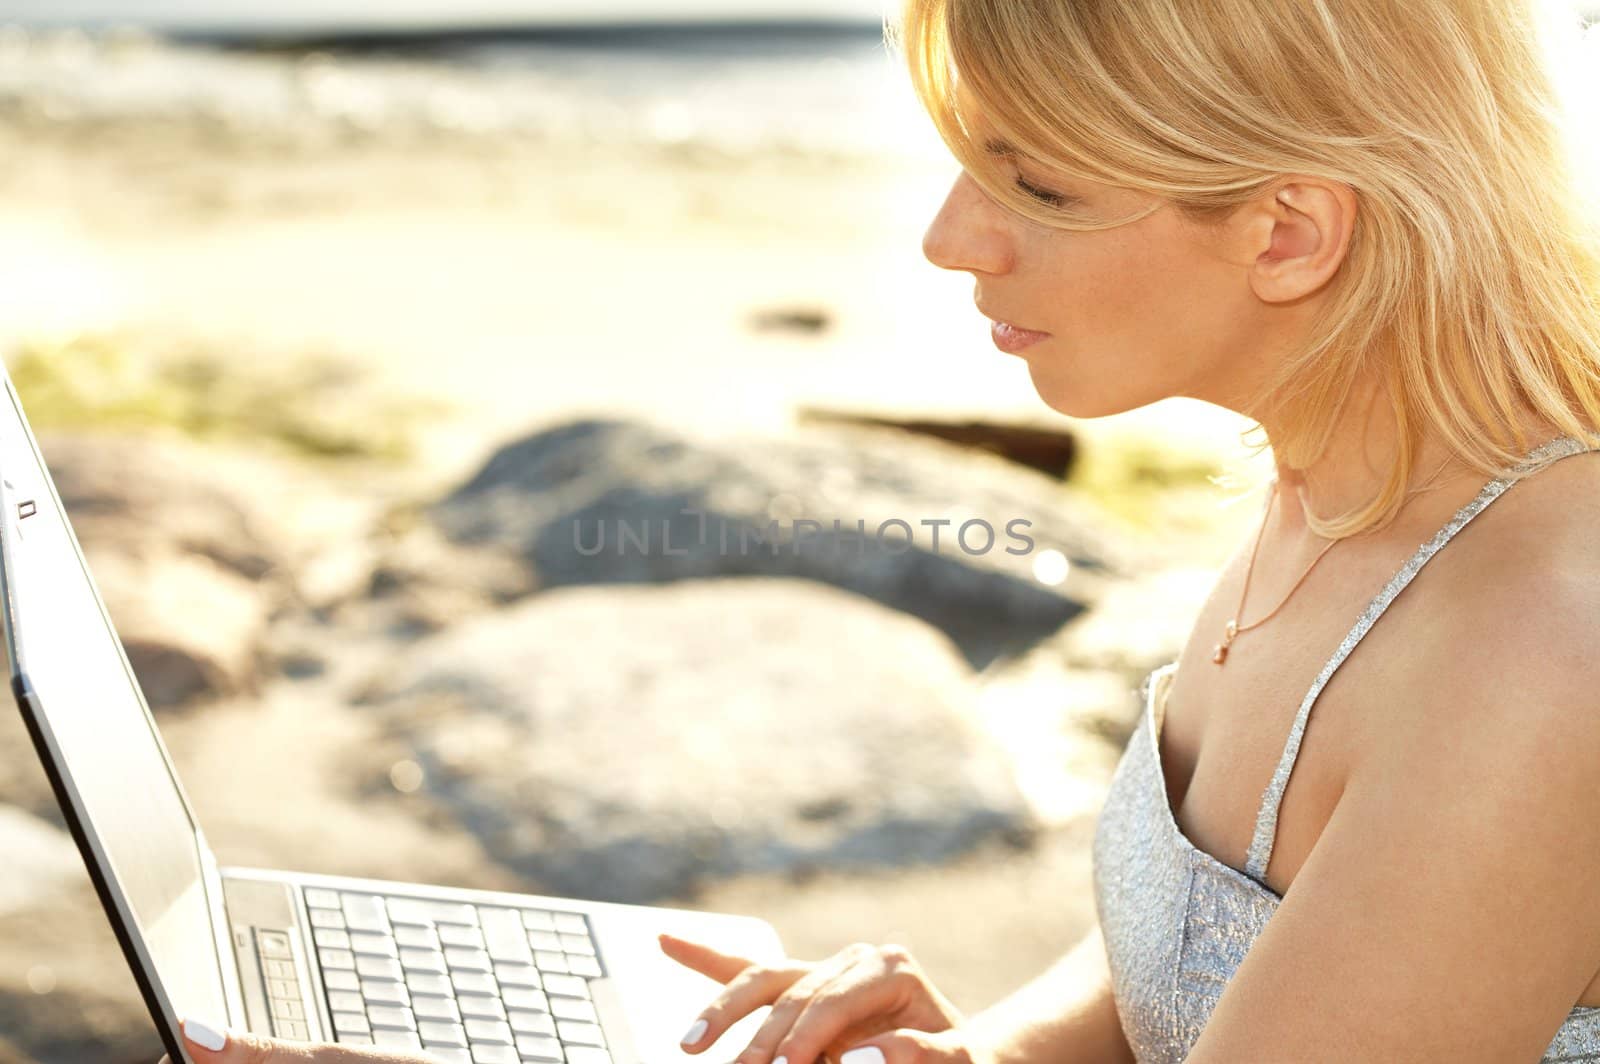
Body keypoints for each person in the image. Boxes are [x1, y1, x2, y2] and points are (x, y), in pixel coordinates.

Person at [160, 0, 1600, 1061]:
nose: (950, 238)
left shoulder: (1534, 651)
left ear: (1291, 232)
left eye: (1039, 184)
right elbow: (1184, 968)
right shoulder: (1330, 496)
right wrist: (968, 1057)